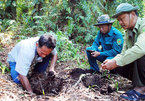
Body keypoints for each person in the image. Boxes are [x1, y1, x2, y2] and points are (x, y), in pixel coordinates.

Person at [101, 3, 145, 100]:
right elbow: (123, 52)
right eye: (118, 20)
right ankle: (138, 82)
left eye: (122, 18)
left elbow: (141, 49)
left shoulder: (143, 25)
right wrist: (113, 61)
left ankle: (142, 88)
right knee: (119, 64)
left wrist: (116, 62)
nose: (120, 22)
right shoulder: (128, 32)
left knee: (139, 53)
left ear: (133, 14)